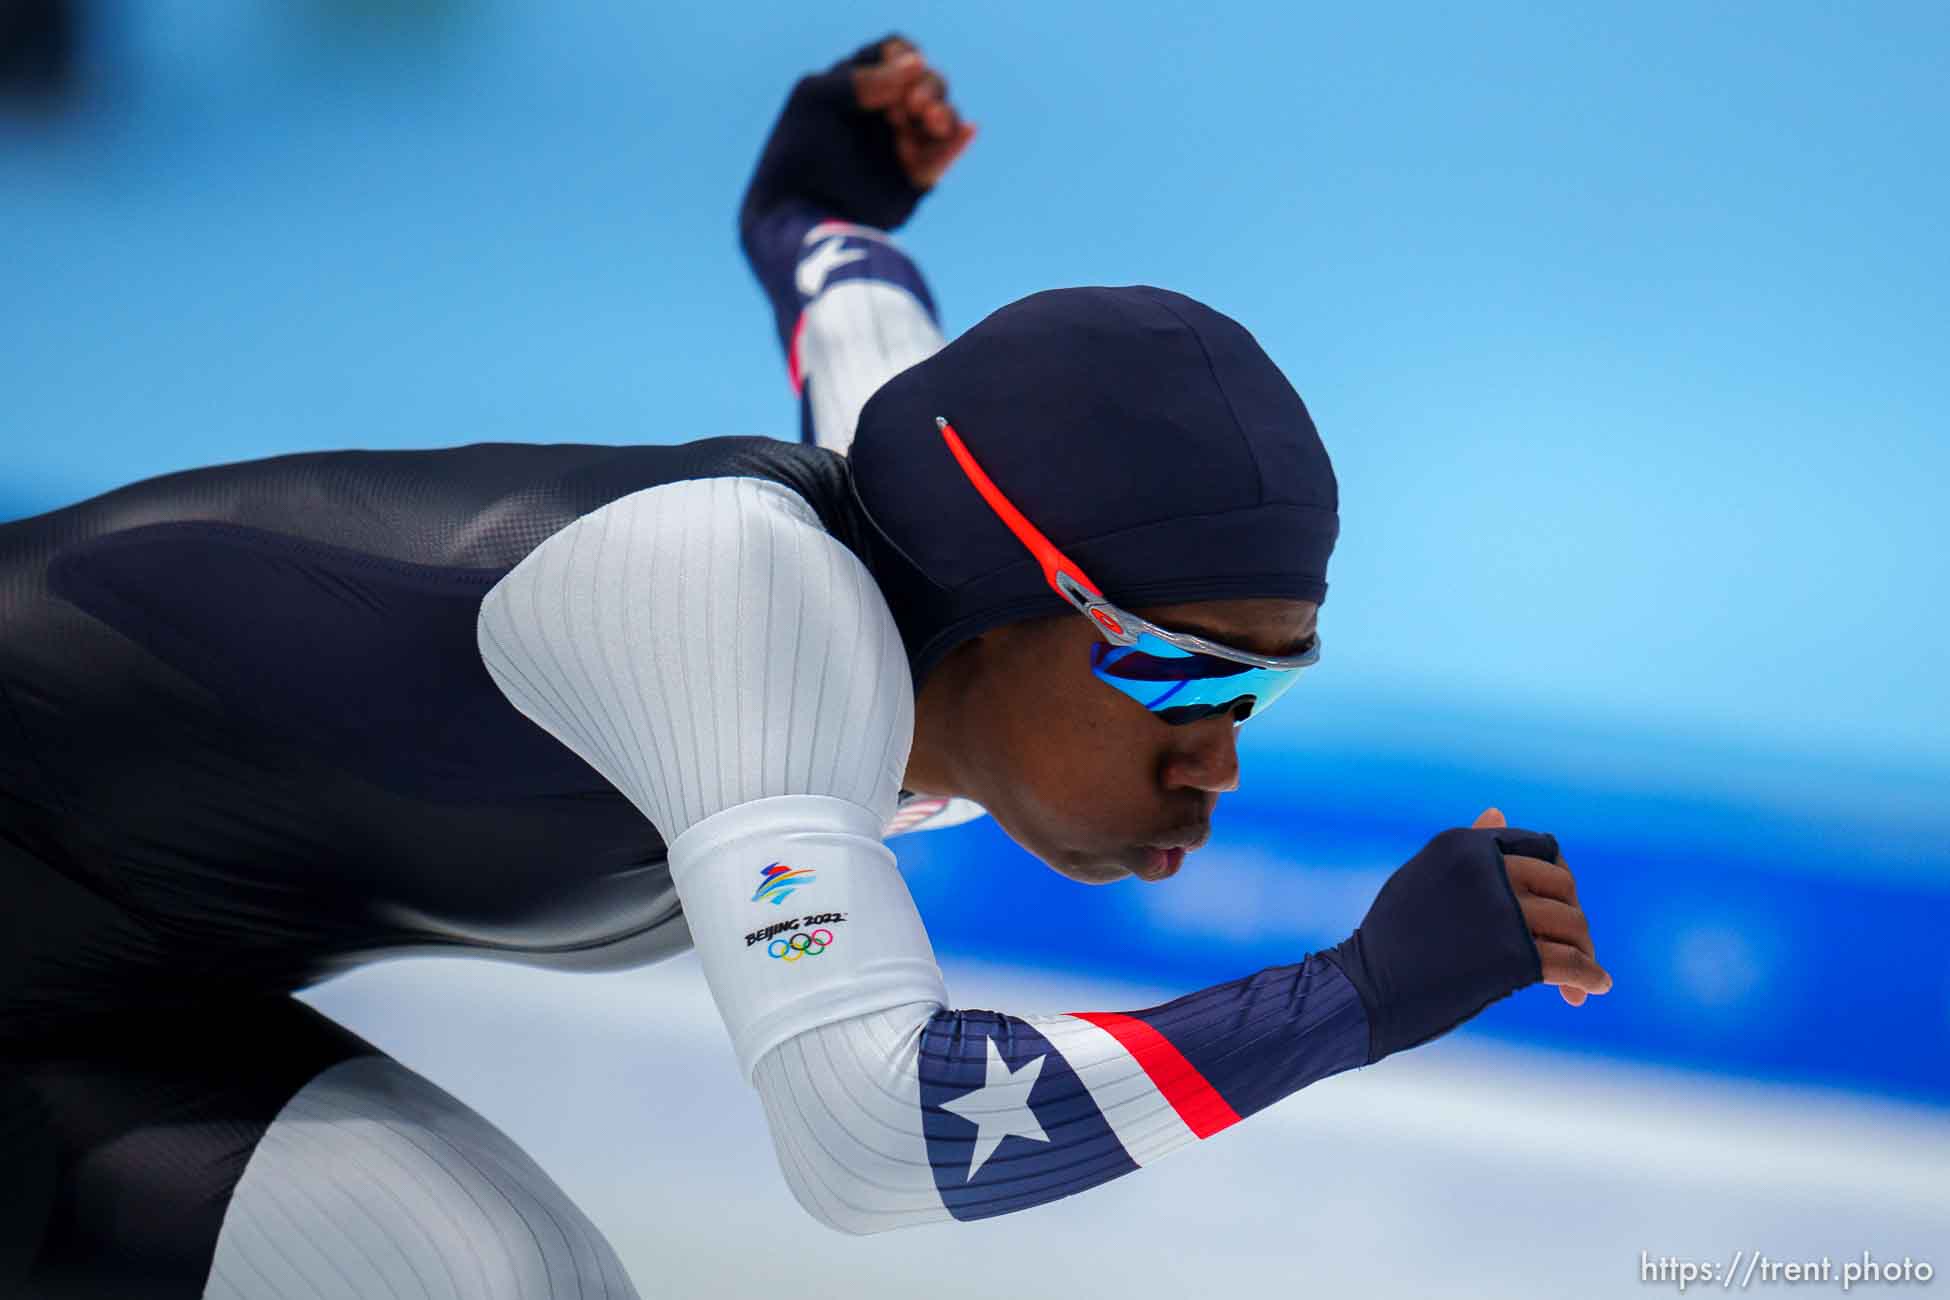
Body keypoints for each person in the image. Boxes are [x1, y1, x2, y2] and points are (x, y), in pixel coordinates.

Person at [0, 34, 1611, 1299]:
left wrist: (813, 209)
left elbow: (862, 332)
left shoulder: (949, 547)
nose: (1219, 757)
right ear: (1019, 596)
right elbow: (875, 1139)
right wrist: (1353, 997)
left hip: (112, 985)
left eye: (1261, 693)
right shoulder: (737, 597)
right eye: (1187, 678)